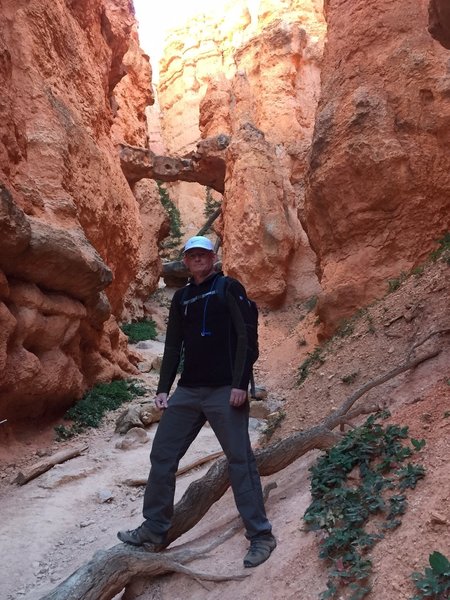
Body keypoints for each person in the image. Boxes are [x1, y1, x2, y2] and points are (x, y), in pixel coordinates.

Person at [118, 235, 276, 568]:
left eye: (204, 253)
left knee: (240, 460)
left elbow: (248, 337)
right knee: (162, 454)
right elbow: (173, 346)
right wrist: (163, 389)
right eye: (192, 255)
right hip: (188, 391)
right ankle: (155, 528)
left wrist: (239, 384)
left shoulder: (229, 288)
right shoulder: (183, 298)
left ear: (213, 257)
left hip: (224, 390)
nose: (199, 258)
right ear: (186, 261)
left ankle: (261, 535)